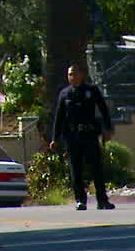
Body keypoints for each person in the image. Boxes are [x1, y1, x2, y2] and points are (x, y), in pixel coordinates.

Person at [49, 63, 116, 210]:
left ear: (81, 74)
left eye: (74, 73)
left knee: (96, 168)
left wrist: (107, 129)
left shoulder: (91, 90)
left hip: (90, 134)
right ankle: (80, 200)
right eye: (69, 74)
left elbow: (103, 109)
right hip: (73, 136)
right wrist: (55, 138)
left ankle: (102, 200)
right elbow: (59, 117)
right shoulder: (65, 94)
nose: (72, 77)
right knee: (76, 169)